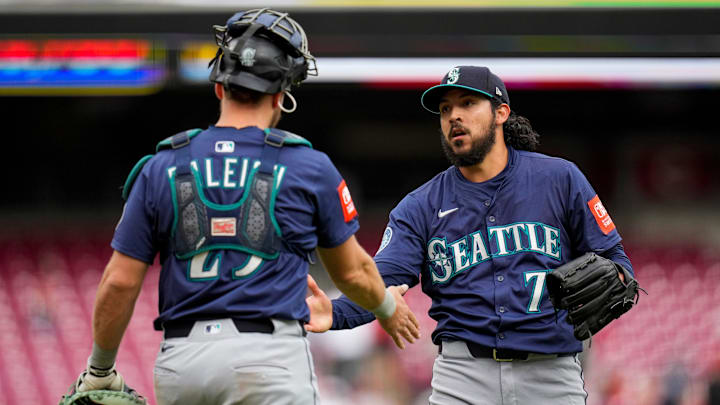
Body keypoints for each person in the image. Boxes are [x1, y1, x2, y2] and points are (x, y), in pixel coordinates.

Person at [62, 8, 419, 405]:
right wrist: (387, 308)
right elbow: (352, 273)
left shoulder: (161, 165)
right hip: (269, 359)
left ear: (218, 87)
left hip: (183, 362)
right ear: (282, 96)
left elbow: (120, 281)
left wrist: (100, 369)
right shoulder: (307, 166)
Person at [305, 65, 634, 404]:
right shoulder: (420, 205)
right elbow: (381, 278)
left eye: (467, 104)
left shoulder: (559, 179)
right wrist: (335, 312)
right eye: (446, 109)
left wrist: (617, 276)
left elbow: (617, 265)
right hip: (463, 377)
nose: (454, 116)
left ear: (501, 112)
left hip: (551, 372)